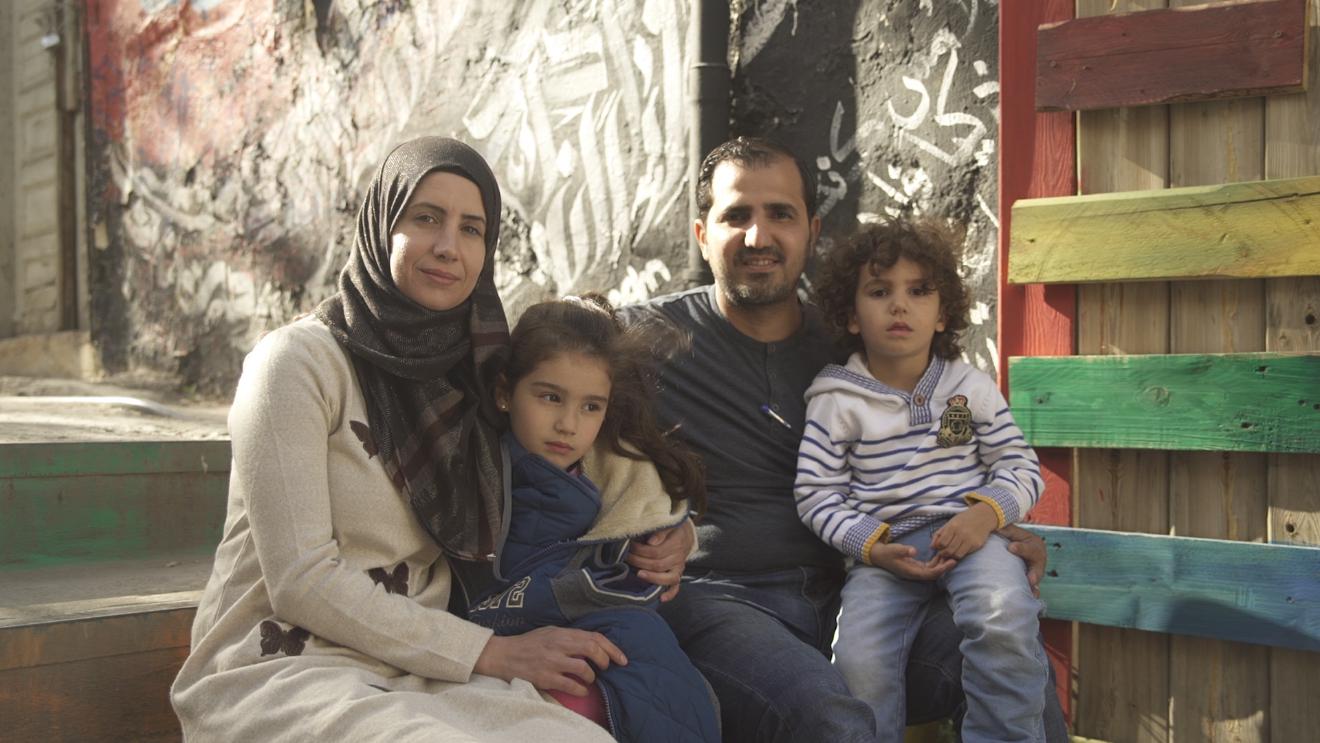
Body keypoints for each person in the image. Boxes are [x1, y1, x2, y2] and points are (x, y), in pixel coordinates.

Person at [171, 137, 627, 742]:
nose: (448, 246)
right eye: (426, 218)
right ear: (383, 223)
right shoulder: (296, 364)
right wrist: (487, 651)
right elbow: (301, 581)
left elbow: (576, 447)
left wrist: (668, 531)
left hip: (417, 671)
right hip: (280, 669)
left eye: (472, 229)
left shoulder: (475, 374)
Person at [618, 136, 1067, 742]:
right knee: (832, 718)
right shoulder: (646, 337)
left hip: (859, 583)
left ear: (811, 229)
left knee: (1013, 655)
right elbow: (548, 384)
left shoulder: (862, 343)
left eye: (780, 214)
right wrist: (636, 522)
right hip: (726, 599)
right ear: (702, 233)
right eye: (736, 216)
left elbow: (948, 448)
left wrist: (993, 520)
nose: (758, 236)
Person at [795, 219, 1049, 742]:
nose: (899, 306)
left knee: (1003, 615)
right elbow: (816, 494)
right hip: (885, 556)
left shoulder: (969, 387)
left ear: (944, 313)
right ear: (849, 314)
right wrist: (872, 545)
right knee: (859, 662)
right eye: (879, 291)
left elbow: (1020, 465)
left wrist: (985, 514)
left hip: (975, 537)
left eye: (919, 291)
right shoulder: (835, 399)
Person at [465, 295, 719, 741]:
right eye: (550, 397)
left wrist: (674, 537)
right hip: (509, 653)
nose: (568, 424)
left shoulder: (619, 468)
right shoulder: (474, 472)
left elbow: (646, 517)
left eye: (590, 407)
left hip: (612, 643)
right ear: (505, 392)